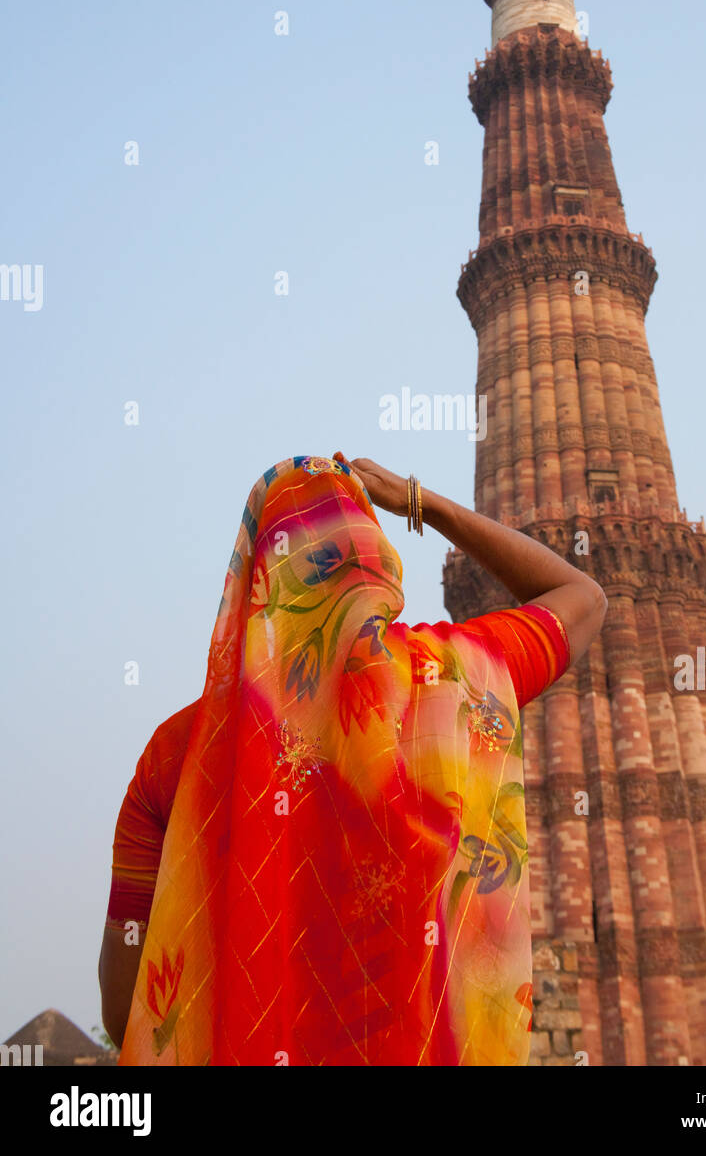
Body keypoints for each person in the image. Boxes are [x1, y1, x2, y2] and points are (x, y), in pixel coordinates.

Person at [100, 452, 607, 1065]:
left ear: (256, 571)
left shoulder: (177, 753)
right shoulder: (442, 678)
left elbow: (126, 1003)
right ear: (374, 561)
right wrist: (426, 503)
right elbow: (582, 596)